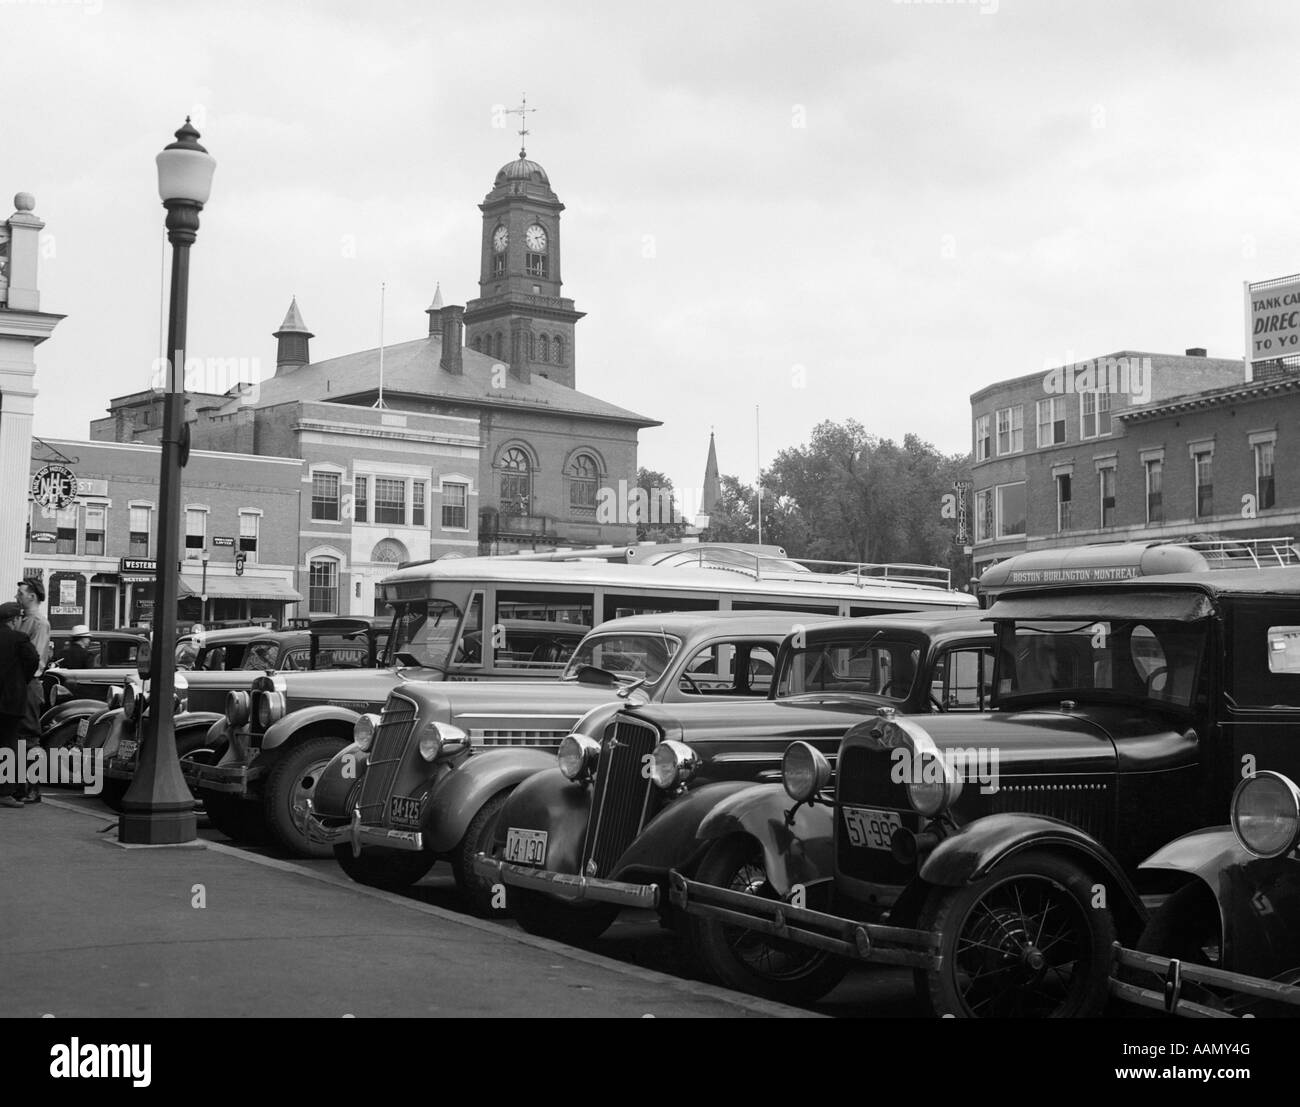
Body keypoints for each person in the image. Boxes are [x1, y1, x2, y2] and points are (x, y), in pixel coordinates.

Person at [0, 602, 40, 808]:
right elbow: (33, 659)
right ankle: (5, 792)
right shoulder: (19, 639)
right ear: (14, 620)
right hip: (10, 701)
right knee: (8, 745)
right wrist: (21, 679)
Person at [15, 578, 50, 803]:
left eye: (21, 593)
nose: (17, 596)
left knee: (28, 737)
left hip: (28, 684)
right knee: (19, 736)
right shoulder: (24, 619)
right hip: (21, 683)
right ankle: (22, 786)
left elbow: (35, 659)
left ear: (32, 596)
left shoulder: (38, 622)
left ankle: (33, 788)